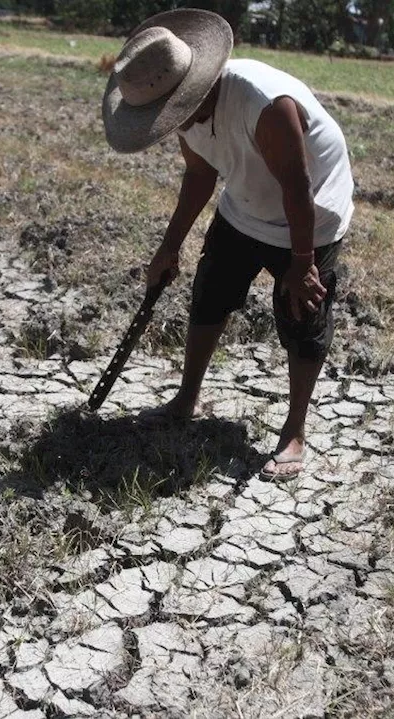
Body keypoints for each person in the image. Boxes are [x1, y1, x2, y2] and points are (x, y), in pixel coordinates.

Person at [101, 9, 353, 481]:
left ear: (193, 85)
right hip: (246, 201)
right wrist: (169, 247)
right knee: (211, 292)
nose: (170, 122)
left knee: (301, 315)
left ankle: (294, 432)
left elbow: (298, 189)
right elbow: (199, 175)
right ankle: (186, 399)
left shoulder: (263, 105)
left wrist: (301, 264)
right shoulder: (186, 112)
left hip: (311, 212)